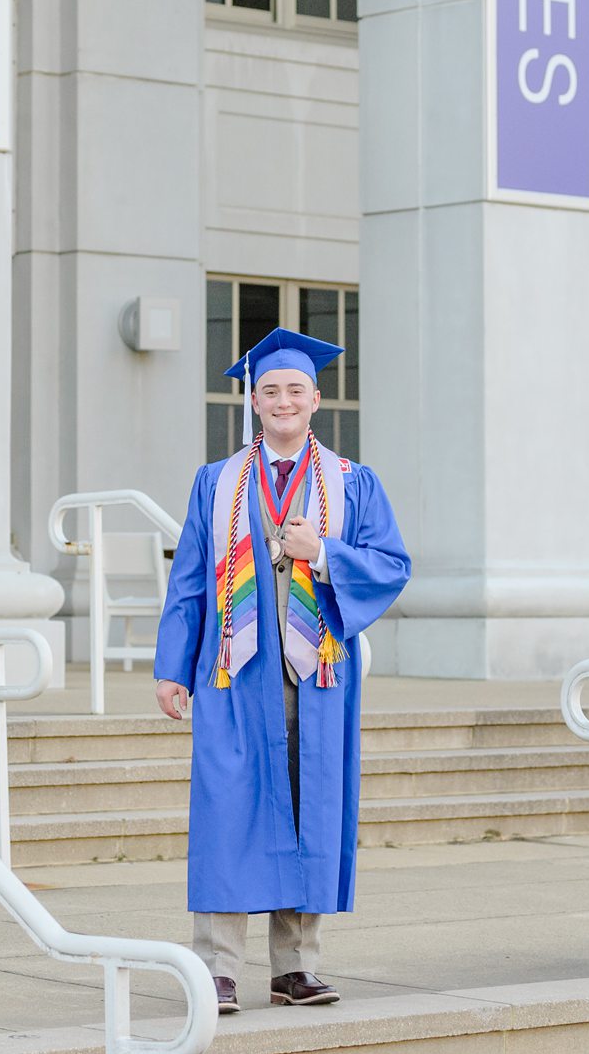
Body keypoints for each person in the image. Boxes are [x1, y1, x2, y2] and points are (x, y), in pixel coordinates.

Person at [153, 327, 410, 1014]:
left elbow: (392, 565)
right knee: (227, 812)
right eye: (270, 390)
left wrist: (322, 551)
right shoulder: (217, 482)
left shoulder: (353, 483)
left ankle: (295, 967)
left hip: (317, 678)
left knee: (306, 812)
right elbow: (188, 584)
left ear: (316, 399)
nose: (283, 400)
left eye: (295, 389)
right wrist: (171, 666)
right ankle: (217, 970)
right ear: (254, 400)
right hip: (235, 676)